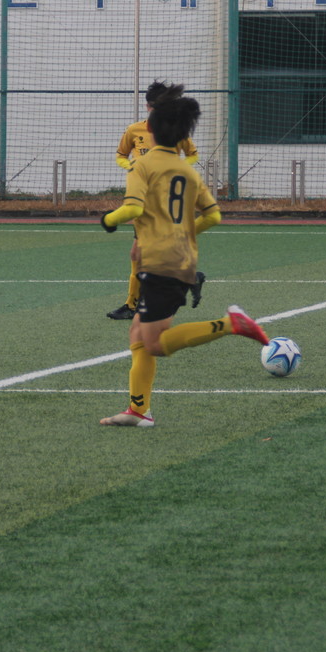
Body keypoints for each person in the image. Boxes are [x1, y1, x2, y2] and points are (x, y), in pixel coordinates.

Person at [97, 86, 268, 427]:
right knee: (137, 335)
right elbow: (214, 215)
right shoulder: (188, 170)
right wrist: (183, 233)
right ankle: (138, 411)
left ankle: (231, 324)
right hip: (180, 258)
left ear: (152, 127)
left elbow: (132, 207)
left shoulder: (142, 165)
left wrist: (108, 220)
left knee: (155, 344)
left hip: (161, 262)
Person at [107, 81, 202, 321]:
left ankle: (137, 304)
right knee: (141, 252)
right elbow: (120, 155)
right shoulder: (134, 130)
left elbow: (192, 155)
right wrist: (130, 165)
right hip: (143, 198)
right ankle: (142, 300)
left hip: (164, 199)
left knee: (142, 252)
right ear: (148, 106)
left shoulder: (175, 133)